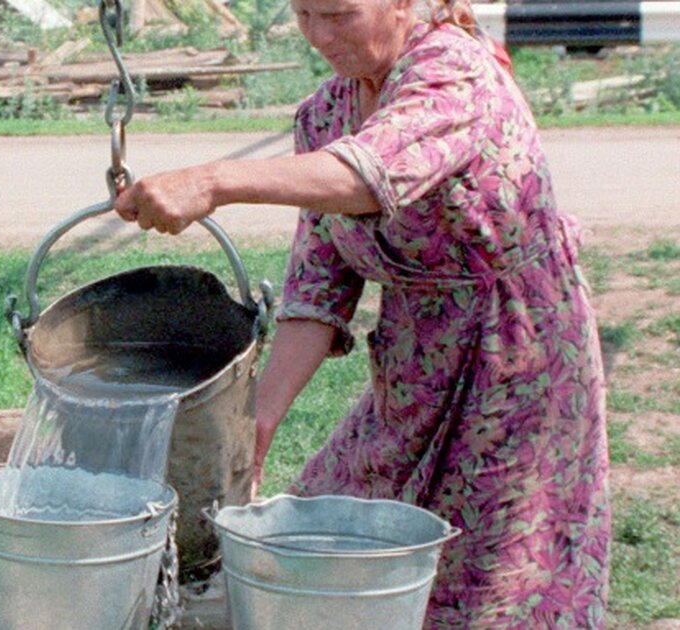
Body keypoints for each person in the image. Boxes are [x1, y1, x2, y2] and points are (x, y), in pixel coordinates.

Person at [112, 0, 611, 626]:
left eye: (339, 14)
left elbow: (371, 173)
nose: (319, 36)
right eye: (304, 15)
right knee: (321, 543)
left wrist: (214, 181)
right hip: (413, 369)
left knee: (494, 582)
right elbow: (320, 287)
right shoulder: (325, 116)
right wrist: (257, 426)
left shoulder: (455, 71)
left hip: (518, 362)